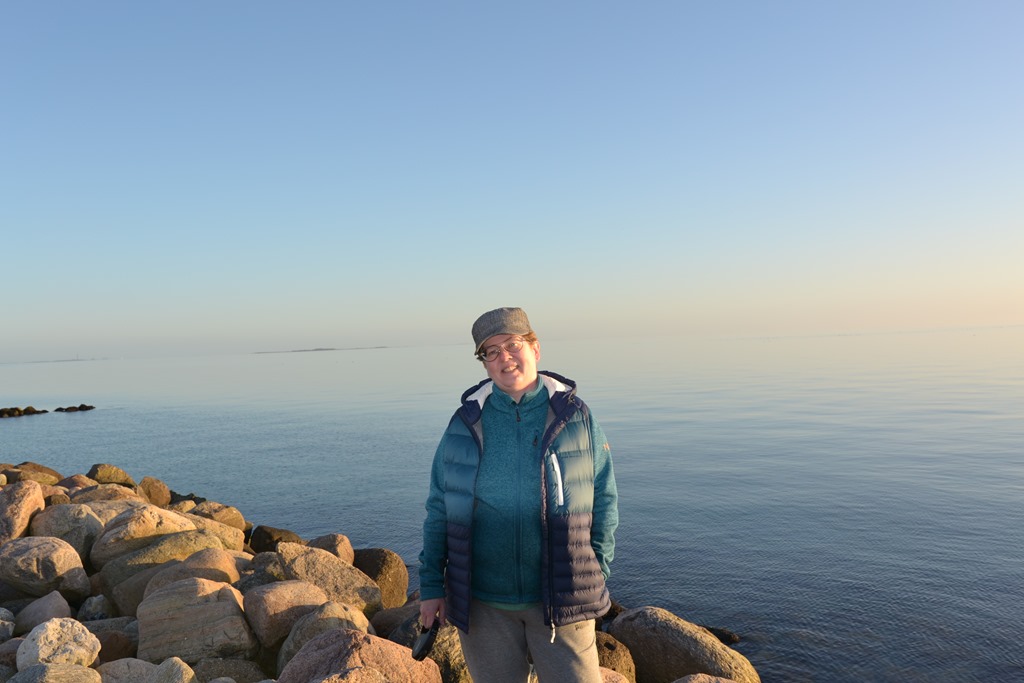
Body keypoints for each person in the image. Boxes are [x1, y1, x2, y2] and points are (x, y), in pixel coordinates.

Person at [419, 307, 618, 682]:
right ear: (484, 363)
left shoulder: (576, 418)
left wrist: (595, 570)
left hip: (564, 601)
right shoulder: (464, 424)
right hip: (484, 606)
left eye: (513, 345)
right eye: (491, 351)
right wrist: (431, 585)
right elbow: (439, 510)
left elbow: (605, 500)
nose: (504, 357)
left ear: (535, 348)